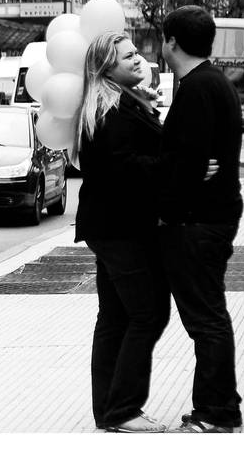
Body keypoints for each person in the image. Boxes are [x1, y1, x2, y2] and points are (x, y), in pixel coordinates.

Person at [74, 32, 170, 433]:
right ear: (105, 67)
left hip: (114, 226)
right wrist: (173, 163)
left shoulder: (122, 101)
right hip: (119, 228)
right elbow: (125, 169)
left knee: (114, 317)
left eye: (136, 53)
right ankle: (123, 409)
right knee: (148, 313)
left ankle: (109, 410)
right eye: (127, 56)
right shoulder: (109, 110)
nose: (137, 60)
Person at [159, 5, 244, 433]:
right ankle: (219, 404)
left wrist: (169, 209)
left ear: (171, 42)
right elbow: (192, 159)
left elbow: (184, 163)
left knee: (206, 319)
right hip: (213, 216)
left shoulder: (196, 89)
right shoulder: (213, 82)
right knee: (210, 316)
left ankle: (218, 413)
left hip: (198, 223)